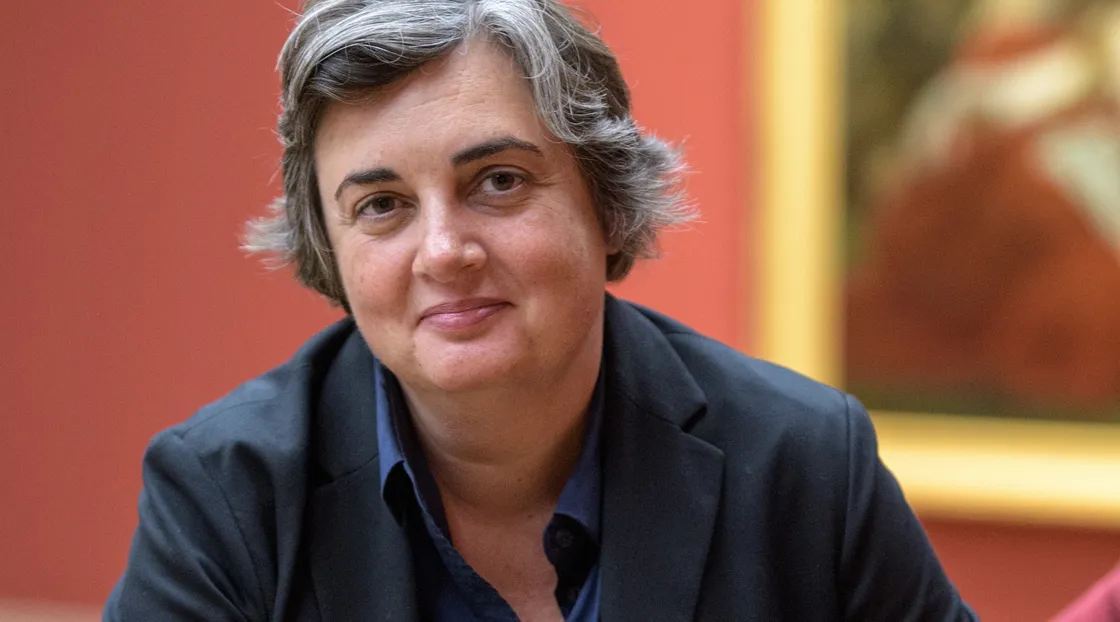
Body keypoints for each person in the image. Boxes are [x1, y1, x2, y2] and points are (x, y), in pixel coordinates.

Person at [104, 0, 976, 619]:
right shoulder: (226, 494)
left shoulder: (805, 462)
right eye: (382, 205)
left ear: (608, 204)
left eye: (499, 181)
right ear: (329, 249)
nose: (443, 251)